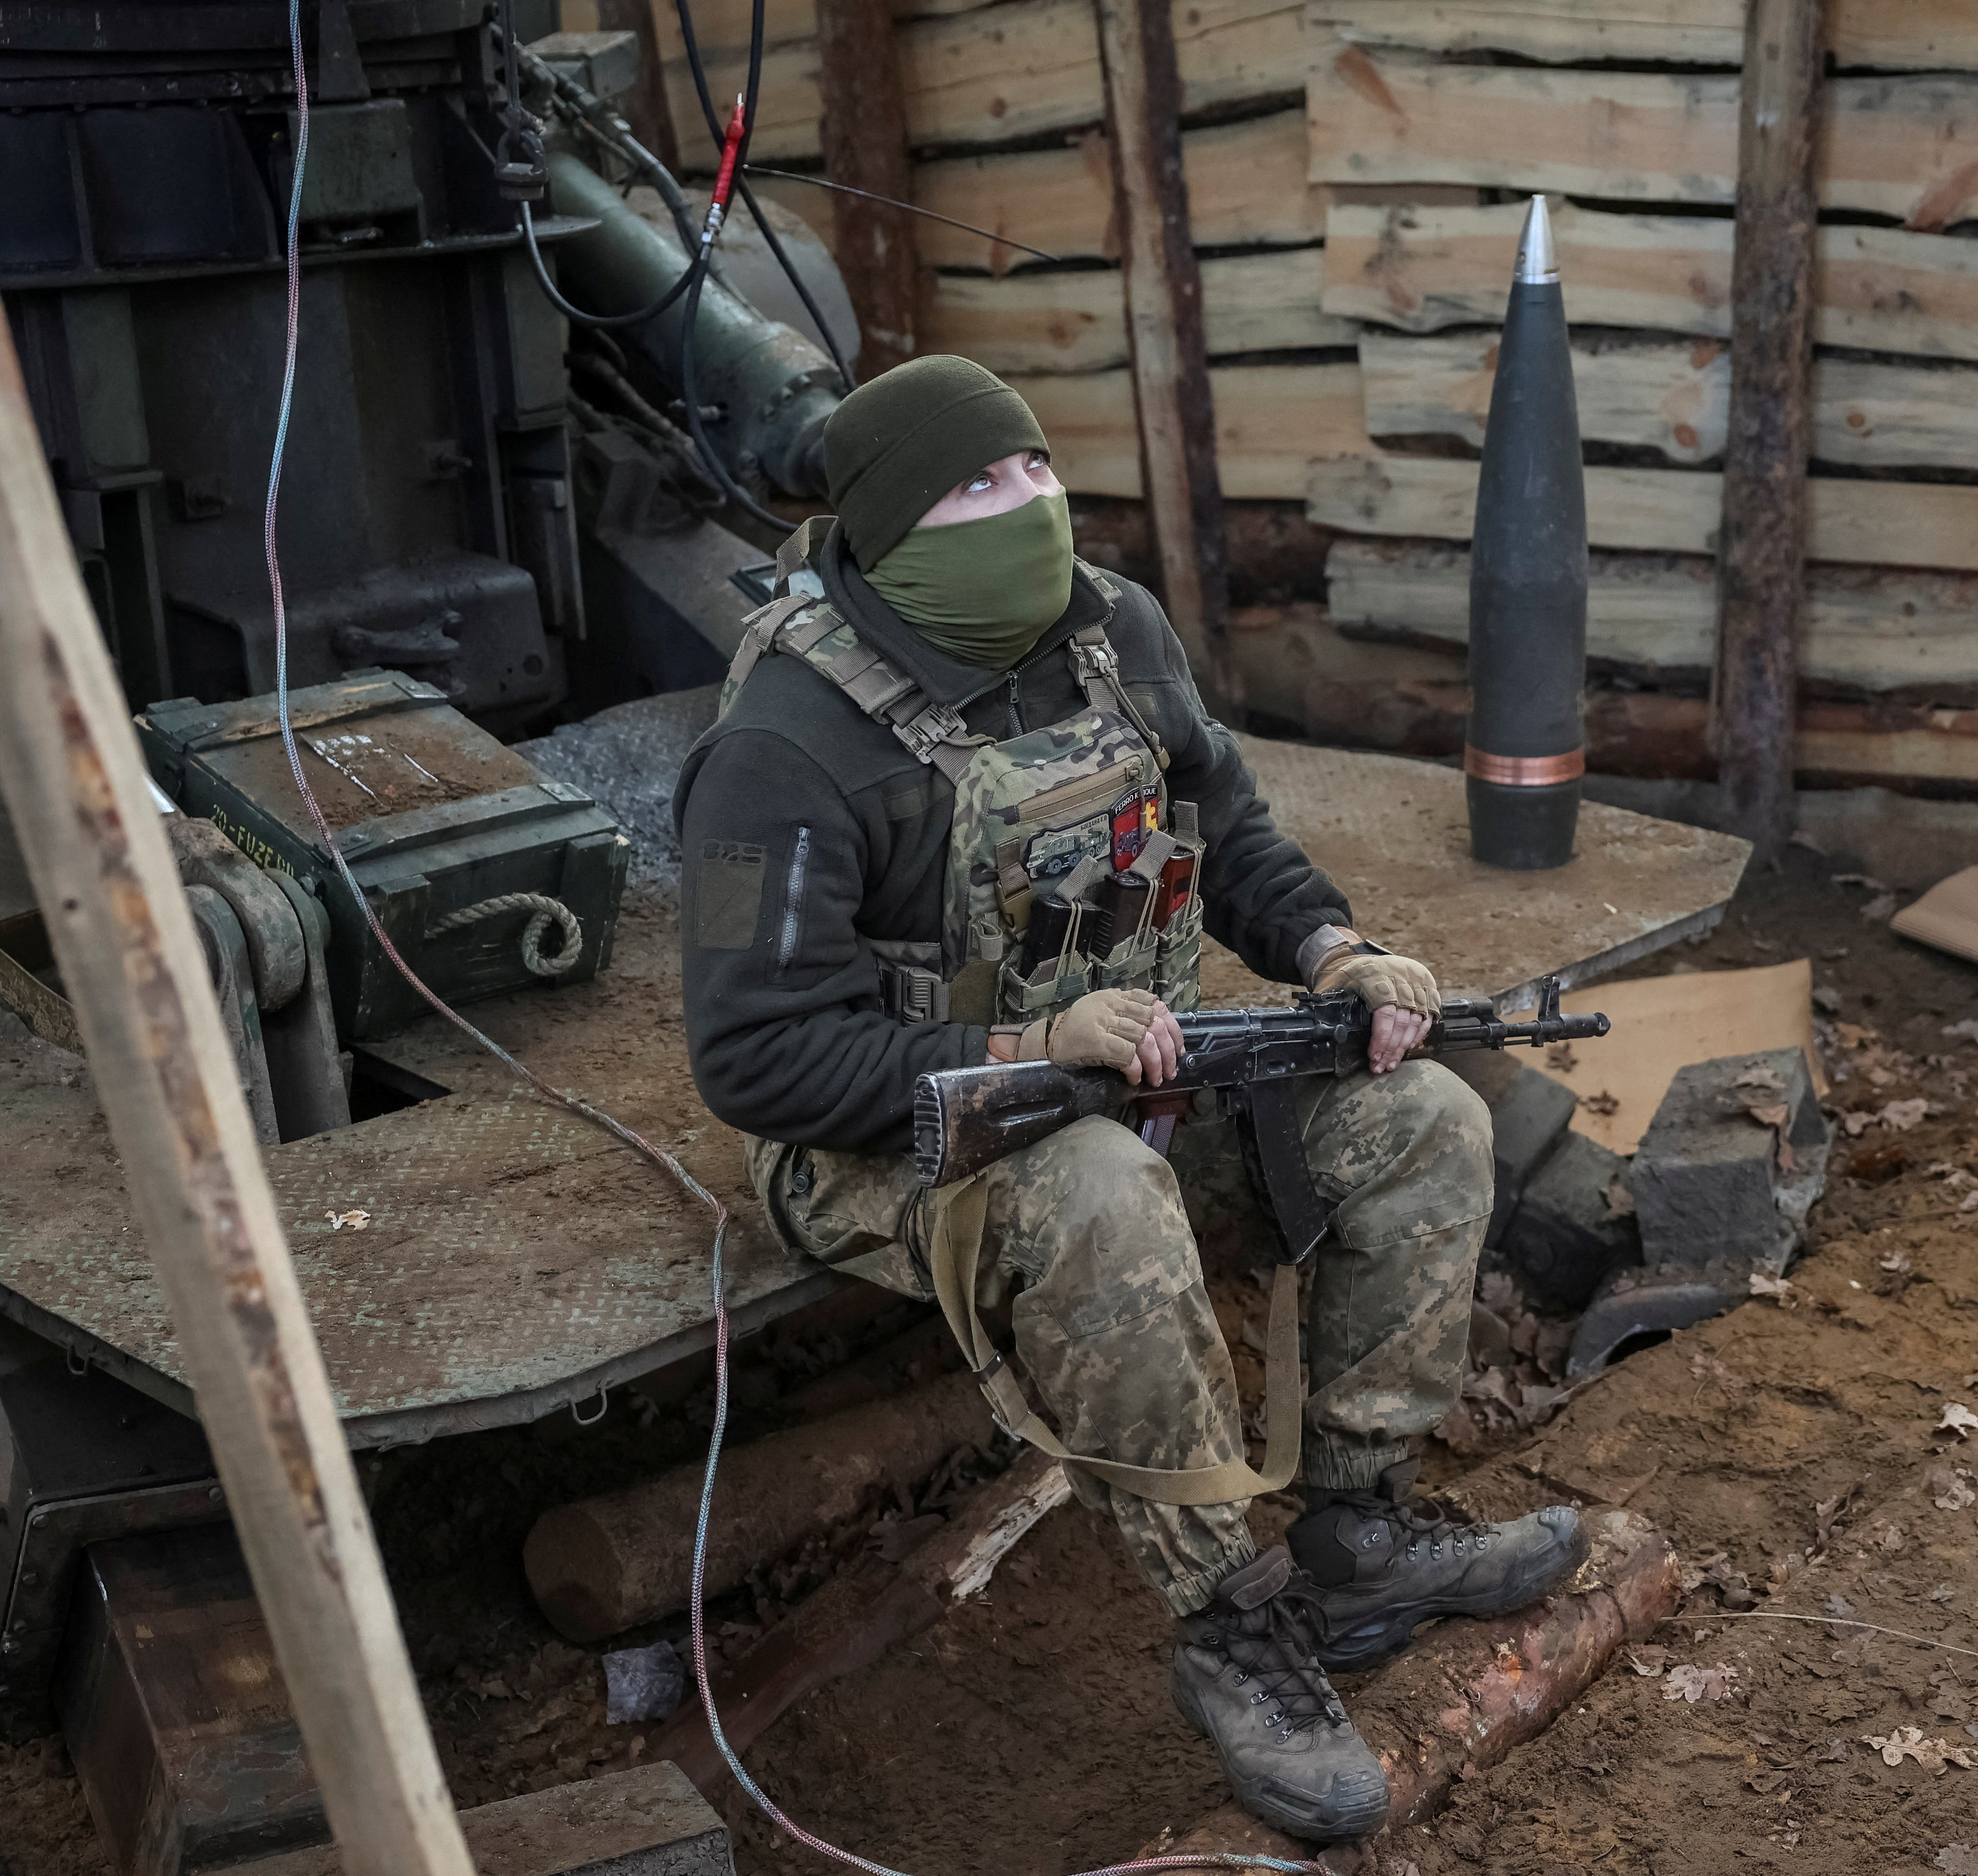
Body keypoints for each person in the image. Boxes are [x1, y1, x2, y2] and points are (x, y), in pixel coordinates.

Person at [673, 355, 1584, 1841]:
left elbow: (1226, 830)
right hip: (890, 1146)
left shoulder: (1113, 630)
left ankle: (1359, 1529)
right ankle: (1231, 1624)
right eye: (978, 486)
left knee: (1423, 1121)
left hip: (1137, 1080)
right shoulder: (778, 747)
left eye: (1033, 469)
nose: (1028, 504)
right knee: (1101, 1198)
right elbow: (756, 1063)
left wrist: (1337, 953)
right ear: (895, 527)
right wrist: (1040, 1055)